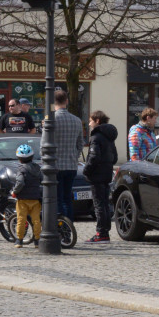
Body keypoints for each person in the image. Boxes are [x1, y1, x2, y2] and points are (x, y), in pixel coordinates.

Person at [84, 111, 119, 243]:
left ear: (97, 120)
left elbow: (93, 157)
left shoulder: (96, 137)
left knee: (98, 204)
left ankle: (101, 233)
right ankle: (105, 232)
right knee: (104, 203)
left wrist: (87, 170)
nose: (89, 123)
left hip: (97, 175)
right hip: (106, 173)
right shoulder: (109, 136)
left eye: (90, 120)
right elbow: (114, 157)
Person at [52, 90, 84, 222]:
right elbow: (80, 144)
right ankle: (69, 226)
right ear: (67, 101)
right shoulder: (77, 120)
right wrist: (74, 156)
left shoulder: (51, 119)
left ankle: (60, 227)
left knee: (57, 199)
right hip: (71, 165)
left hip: (55, 165)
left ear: (53, 102)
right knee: (67, 197)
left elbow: (44, 145)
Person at [10, 143, 42, 248]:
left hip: (23, 199)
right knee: (36, 220)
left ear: (19, 159)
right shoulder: (37, 168)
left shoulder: (21, 169)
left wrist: (15, 192)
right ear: (32, 157)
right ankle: (37, 240)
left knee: (21, 220)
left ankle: (19, 240)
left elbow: (20, 182)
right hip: (35, 199)